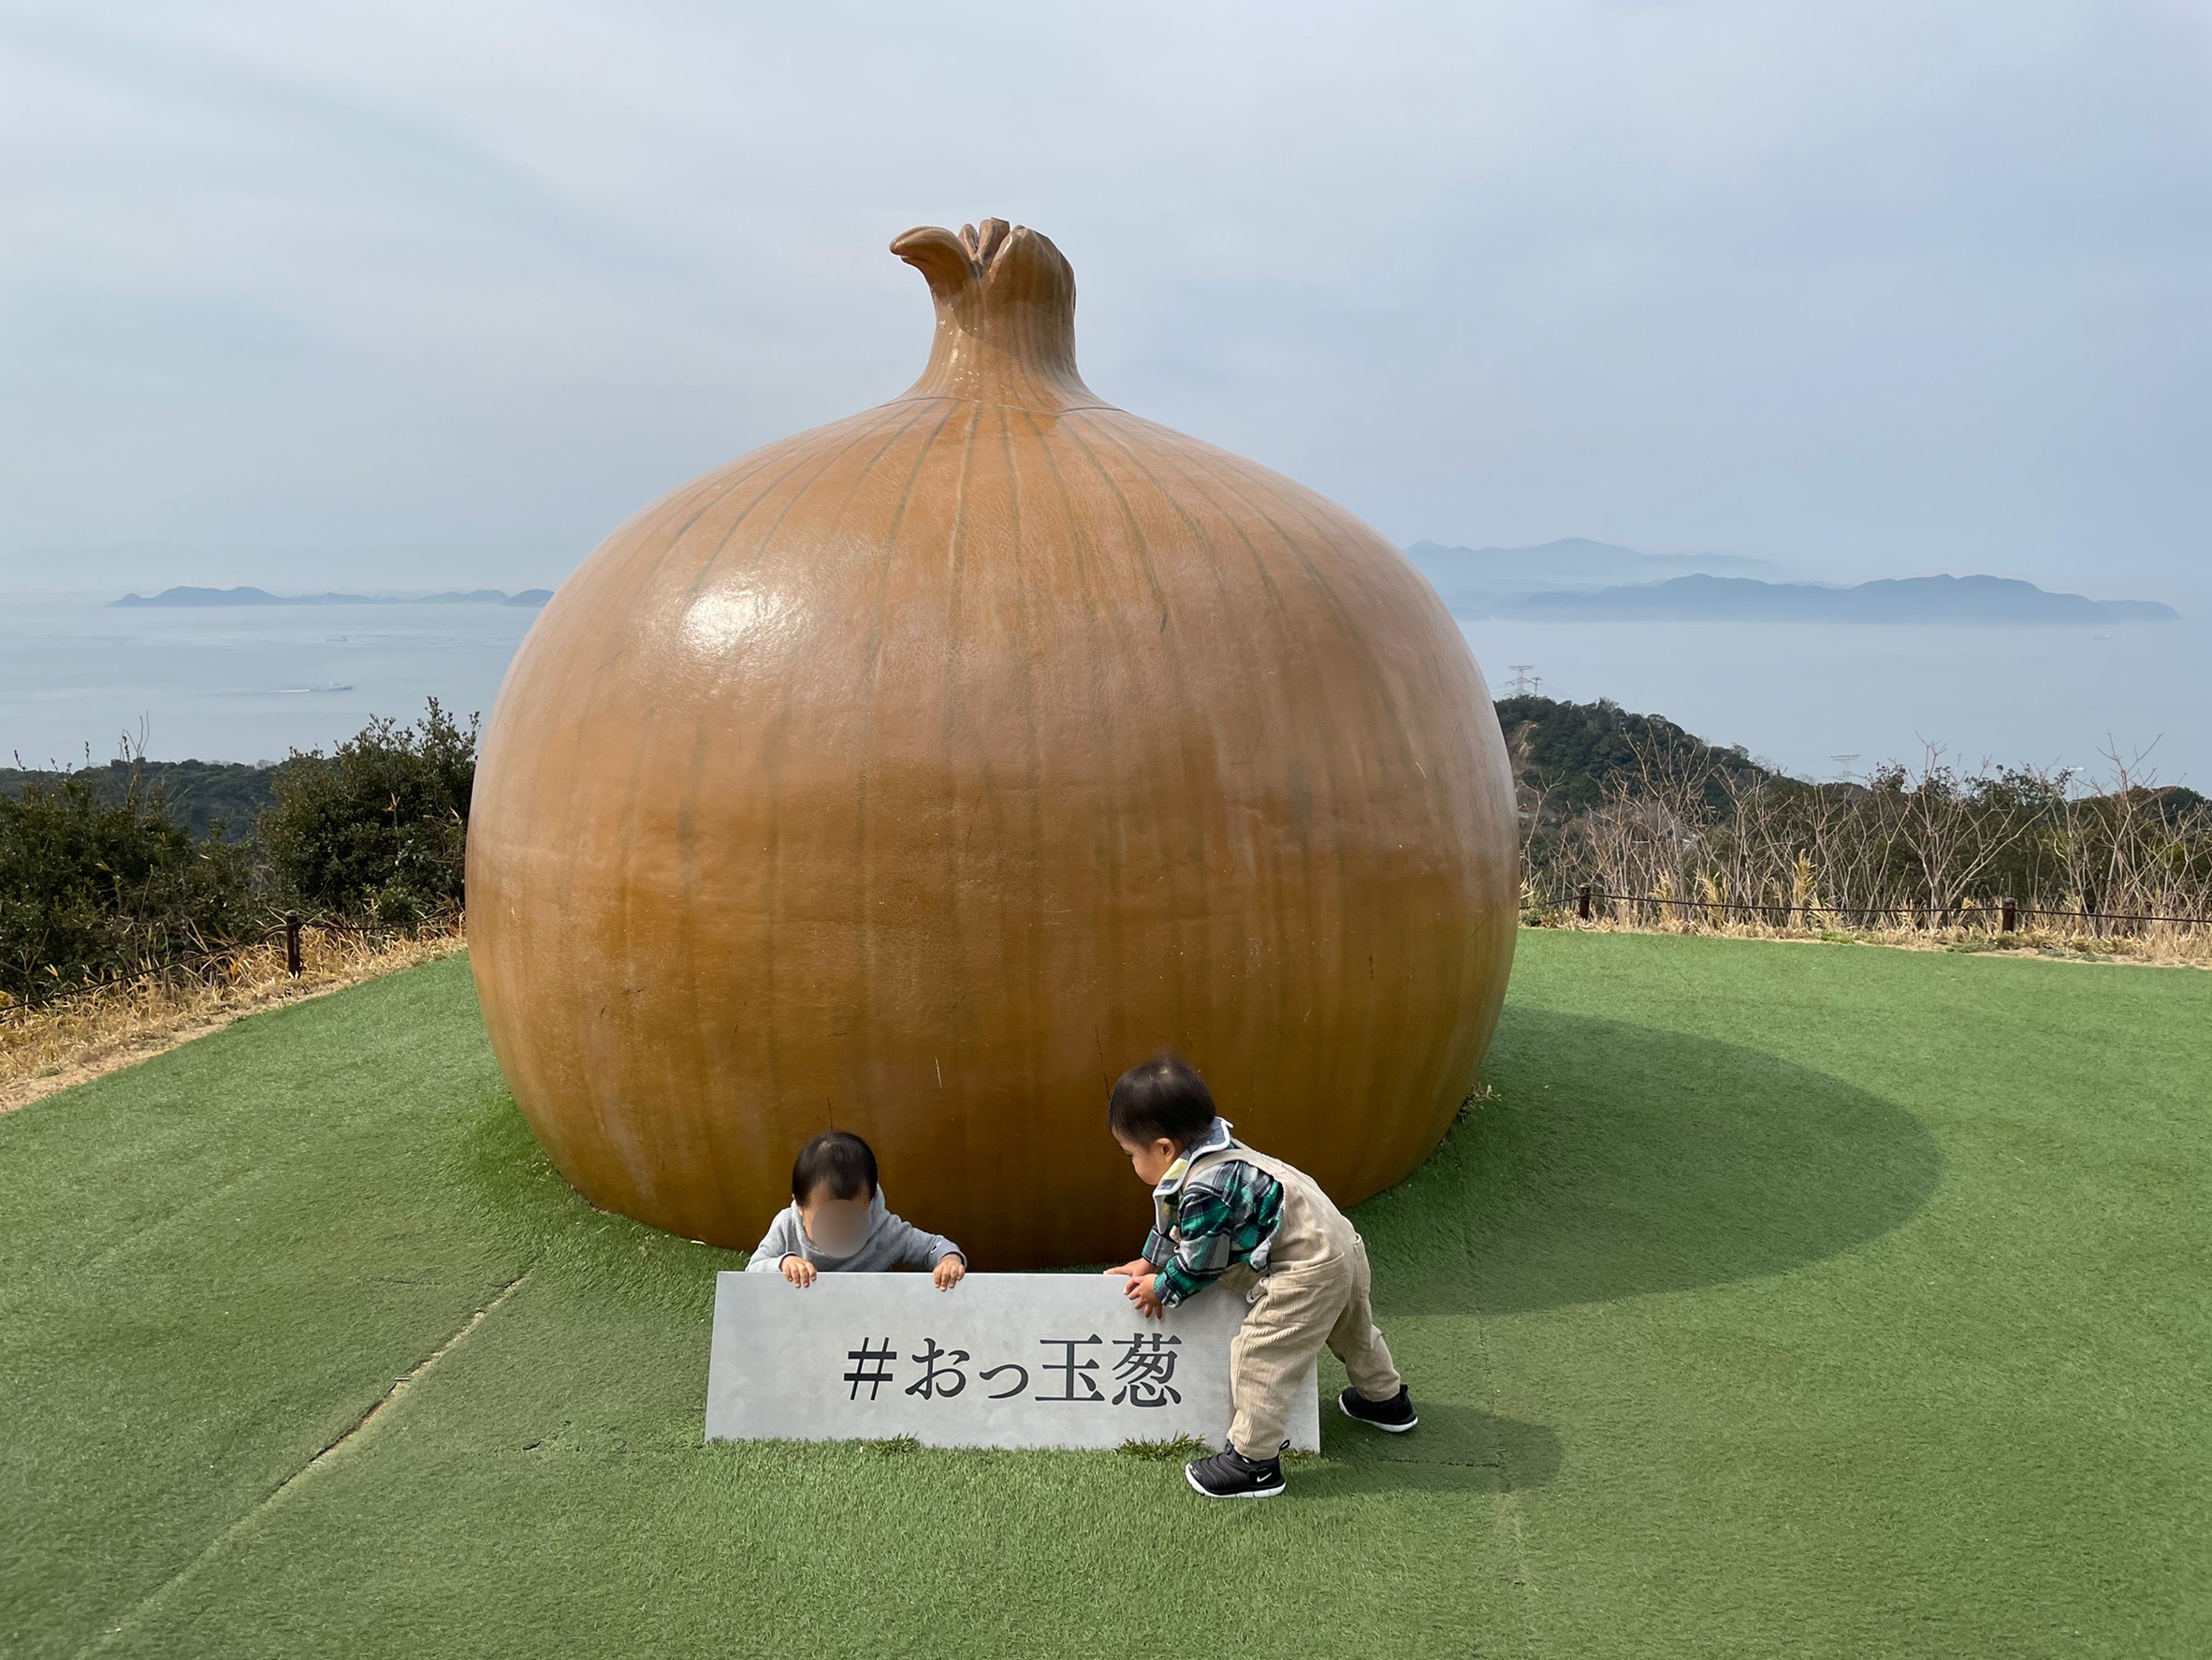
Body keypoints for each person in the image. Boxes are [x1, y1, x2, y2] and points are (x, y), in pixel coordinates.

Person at [1105, 1053, 1416, 1499]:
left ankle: (1253, 1462)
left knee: (1261, 1356)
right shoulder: (1216, 1146)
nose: (1131, 1163)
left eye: (1131, 1154)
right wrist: (1150, 1259)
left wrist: (1163, 1286)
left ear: (1165, 1149)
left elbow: (1201, 1259)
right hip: (1340, 1244)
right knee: (1354, 1331)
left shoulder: (1205, 1185)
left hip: (1305, 1270)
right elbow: (1180, 1220)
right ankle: (1385, 1400)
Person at [746, 1129, 967, 1289]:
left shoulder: (884, 1232)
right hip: (805, 1322)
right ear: (800, 1206)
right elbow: (752, 1270)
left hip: (868, 1323)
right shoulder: (786, 1226)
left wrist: (948, 1259)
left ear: (870, 1203)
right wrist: (783, 1263)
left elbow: (933, 1246)